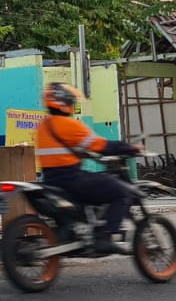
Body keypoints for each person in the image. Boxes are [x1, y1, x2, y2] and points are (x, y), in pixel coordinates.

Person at [34, 82, 142, 254]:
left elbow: (64, 149)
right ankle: (105, 238)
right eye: (71, 101)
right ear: (64, 102)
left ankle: (84, 230)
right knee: (122, 192)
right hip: (72, 180)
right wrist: (130, 148)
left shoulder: (43, 126)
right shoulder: (69, 125)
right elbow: (102, 145)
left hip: (50, 180)